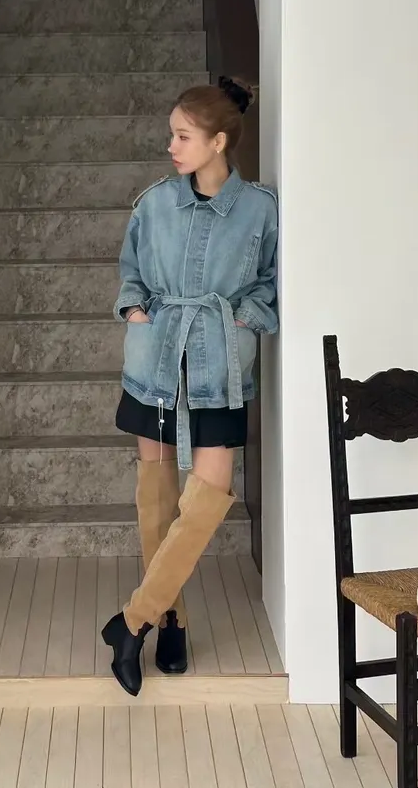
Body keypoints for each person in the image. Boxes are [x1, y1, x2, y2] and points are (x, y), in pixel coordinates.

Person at [101, 76, 279, 696]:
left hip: (218, 364)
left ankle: (133, 621)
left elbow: (268, 280)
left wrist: (246, 318)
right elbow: (130, 271)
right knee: (157, 497)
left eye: (183, 136)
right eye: (172, 135)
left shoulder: (260, 208)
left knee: (208, 496)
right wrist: (135, 311)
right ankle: (171, 618)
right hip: (155, 360)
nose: (171, 146)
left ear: (218, 141)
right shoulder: (154, 203)